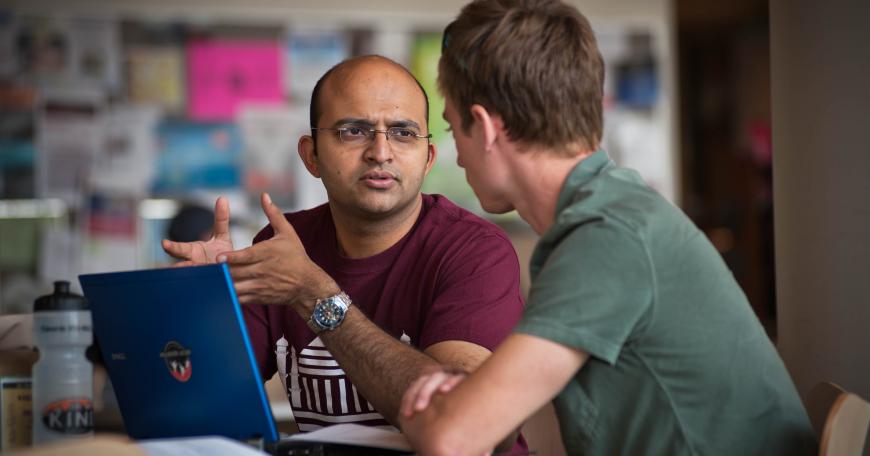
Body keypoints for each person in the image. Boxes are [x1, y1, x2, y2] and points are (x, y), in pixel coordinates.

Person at [398, 1, 816, 455]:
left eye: (452, 129)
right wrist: (465, 398)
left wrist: (435, 402)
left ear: (484, 127)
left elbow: (451, 438)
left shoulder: (606, 237)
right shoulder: (616, 209)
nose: (458, 155)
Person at [161, 55, 525, 448]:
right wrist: (203, 305)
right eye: (354, 131)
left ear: (428, 159)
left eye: (403, 133)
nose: (380, 152)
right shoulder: (285, 245)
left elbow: (465, 424)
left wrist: (315, 296)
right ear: (312, 155)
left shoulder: (474, 252)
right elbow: (199, 402)